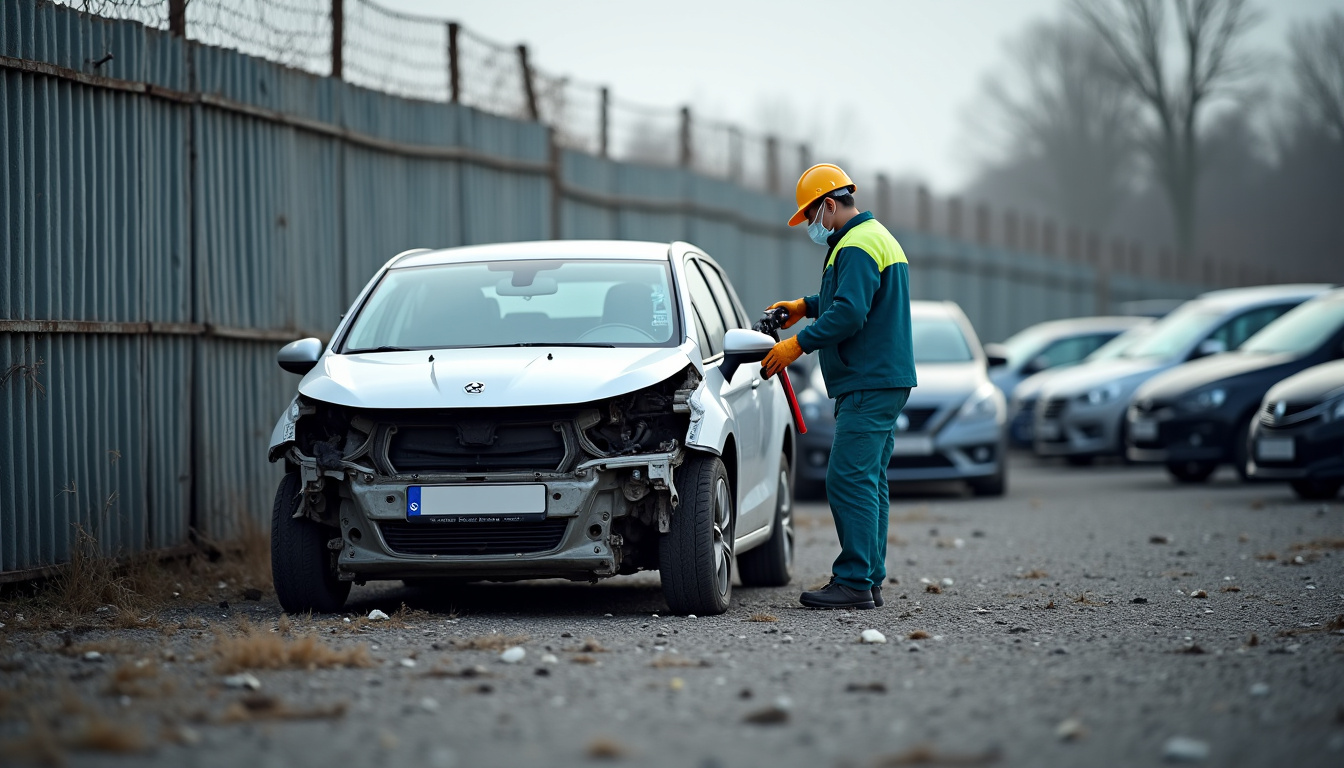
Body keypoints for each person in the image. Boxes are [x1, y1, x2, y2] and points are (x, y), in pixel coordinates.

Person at [761, 163, 917, 610]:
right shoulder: (873, 238)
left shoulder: (854, 245)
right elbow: (848, 299)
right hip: (883, 378)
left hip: (869, 380)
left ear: (829, 205)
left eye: (812, 217)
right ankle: (868, 579)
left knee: (847, 478)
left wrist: (797, 345)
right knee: (869, 480)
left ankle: (852, 582)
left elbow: (850, 313)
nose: (812, 226)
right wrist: (804, 306)